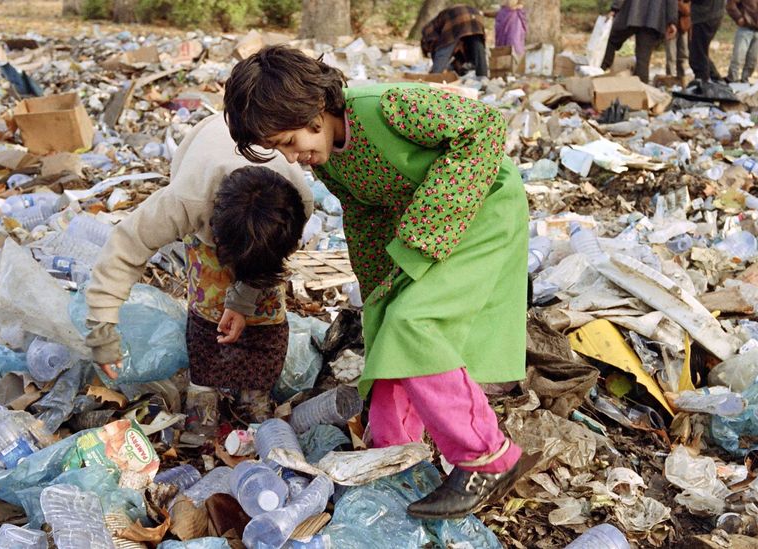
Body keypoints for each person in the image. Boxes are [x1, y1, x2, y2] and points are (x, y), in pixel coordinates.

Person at [223, 45, 536, 519]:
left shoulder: (386, 108)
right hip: (424, 225)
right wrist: (376, 294)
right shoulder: (329, 162)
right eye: (282, 149)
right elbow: (366, 218)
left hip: (481, 210)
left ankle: (485, 457)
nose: (294, 156)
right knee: (388, 325)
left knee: (415, 322)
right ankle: (393, 457)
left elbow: (484, 128)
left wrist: (428, 228)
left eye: (290, 140)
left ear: (312, 110)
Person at [84, 115, 312, 441]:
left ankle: (254, 393)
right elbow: (123, 250)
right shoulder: (185, 201)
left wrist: (244, 300)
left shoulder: (297, 201)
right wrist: (103, 334)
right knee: (209, 302)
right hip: (207, 190)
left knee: (266, 306)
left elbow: (264, 265)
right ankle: (202, 393)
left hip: (256, 219)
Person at [602, 0, 678, 83]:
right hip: (654, 17)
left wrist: (614, 8)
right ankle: (641, 90)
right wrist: (672, 21)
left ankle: (599, 72)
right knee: (643, 60)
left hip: (632, 13)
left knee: (610, 41)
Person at [421, 5, 488, 77]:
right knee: (478, 49)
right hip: (476, 15)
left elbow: (440, 50)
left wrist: (436, 69)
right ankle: (482, 76)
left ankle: (434, 77)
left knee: (444, 48)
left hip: (457, 16)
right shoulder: (463, 41)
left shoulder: (427, 32)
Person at [726, 0, 758, 82]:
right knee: (738, 58)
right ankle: (732, 80)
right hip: (745, 28)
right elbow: (731, 4)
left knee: (753, 60)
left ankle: (745, 81)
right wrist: (738, 18)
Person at [690, 0, 726, 83]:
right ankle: (715, 79)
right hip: (714, 13)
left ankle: (704, 82)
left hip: (704, 15)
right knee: (700, 52)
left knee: (697, 54)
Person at [665, 0, 691, 79]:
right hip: (670, 23)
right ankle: (670, 78)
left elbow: (688, 9)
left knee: (683, 53)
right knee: (671, 55)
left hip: (683, 24)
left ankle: (682, 77)